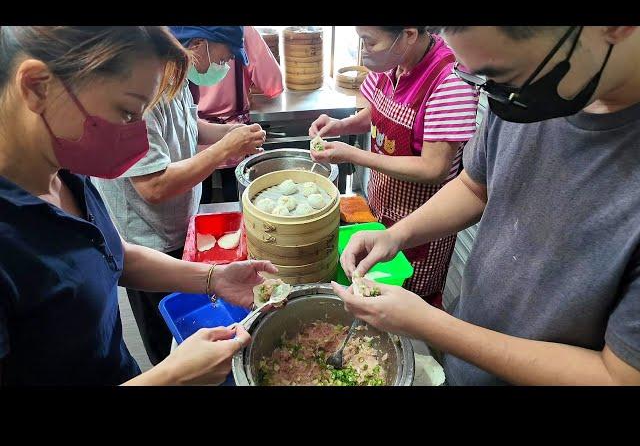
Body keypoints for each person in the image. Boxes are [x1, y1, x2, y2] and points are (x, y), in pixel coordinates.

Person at [336, 26, 640, 385]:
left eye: (505, 76)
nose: (496, 97)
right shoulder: (523, 92)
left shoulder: (534, 95)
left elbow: (618, 376)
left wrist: (430, 324)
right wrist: (397, 235)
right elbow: (474, 185)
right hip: (466, 362)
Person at [0, 26, 276, 385]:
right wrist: (172, 376)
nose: (138, 141)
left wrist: (214, 278)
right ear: (38, 86)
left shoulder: (62, 171)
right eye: (128, 113)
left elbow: (115, 255)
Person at [92, 26, 266, 366]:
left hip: (181, 226)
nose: (227, 64)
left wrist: (231, 134)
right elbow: (153, 186)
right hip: (146, 241)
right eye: (224, 55)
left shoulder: (178, 76)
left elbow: (191, 126)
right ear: (197, 45)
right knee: (167, 339)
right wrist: (223, 151)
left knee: (192, 322)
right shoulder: (140, 93)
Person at [310, 26, 478, 307]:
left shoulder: (449, 81)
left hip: (423, 223)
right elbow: (377, 112)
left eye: (370, 42)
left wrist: (354, 154)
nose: (364, 52)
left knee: (408, 299)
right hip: (382, 205)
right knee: (371, 286)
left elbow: (434, 167)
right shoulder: (391, 62)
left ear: (409, 35)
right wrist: (341, 125)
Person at [195, 26, 283, 203]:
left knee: (198, 203)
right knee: (236, 202)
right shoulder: (242, 30)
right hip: (231, 142)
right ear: (197, 45)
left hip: (200, 144)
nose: (226, 62)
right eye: (223, 59)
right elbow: (272, 83)